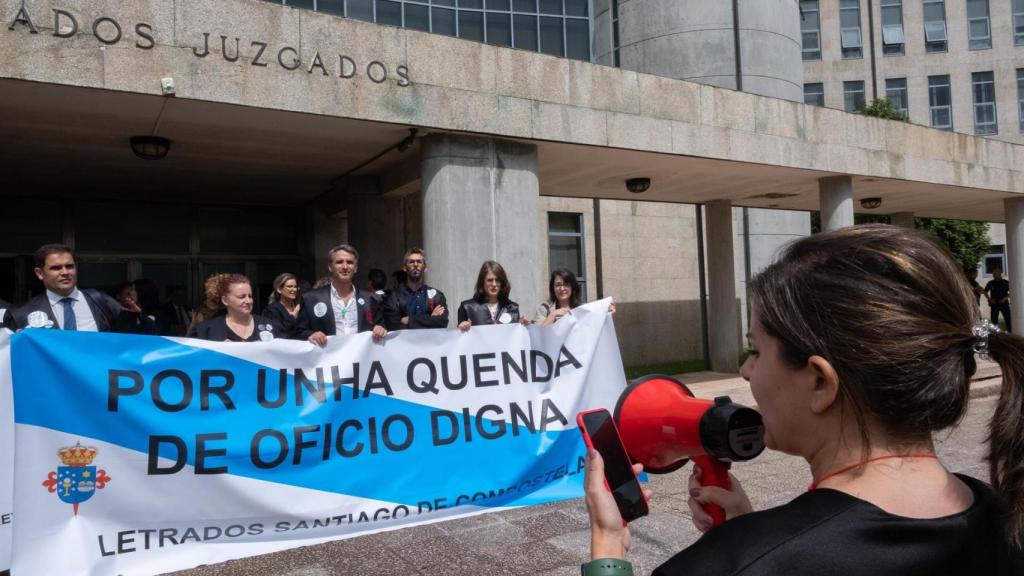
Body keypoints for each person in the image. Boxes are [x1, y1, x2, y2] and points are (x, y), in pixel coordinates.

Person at [582, 225, 1024, 575]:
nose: (746, 370)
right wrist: (752, 537)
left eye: (755, 349)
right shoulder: (1005, 520)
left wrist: (607, 546)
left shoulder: (725, 565)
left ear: (819, 382)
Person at [8, 244, 141, 332]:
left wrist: (136, 318)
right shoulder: (22, 314)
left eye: (69, 266)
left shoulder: (99, 300)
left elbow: (131, 339)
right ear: (40, 273)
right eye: (56, 268)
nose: (65, 272)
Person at [295, 244, 381, 346]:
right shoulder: (311, 299)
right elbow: (298, 332)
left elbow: (382, 327)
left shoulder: (371, 299)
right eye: (339, 262)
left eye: (350, 262)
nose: (345, 267)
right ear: (330, 267)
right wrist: (310, 335)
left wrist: (380, 329)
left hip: (361, 359)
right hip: (328, 359)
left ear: (356, 268)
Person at [375, 248, 449, 337]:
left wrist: (409, 320)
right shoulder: (393, 297)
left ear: (425, 268)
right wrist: (430, 319)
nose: (415, 264)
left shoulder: (437, 295)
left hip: (430, 348)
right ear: (404, 268)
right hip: (403, 347)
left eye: (419, 262)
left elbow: (442, 322)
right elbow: (393, 325)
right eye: (411, 262)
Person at [187, 274, 276, 342]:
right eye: (242, 297)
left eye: (250, 296)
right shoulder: (208, 329)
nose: (248, 301)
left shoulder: (268, 325)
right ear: (225, 300)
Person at [457, 261, 529, 330]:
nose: (494, 284)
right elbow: (460, 338)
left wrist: (521, 326)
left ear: (502, 283)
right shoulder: (467, 308)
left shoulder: (512, 307)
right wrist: (462, 327)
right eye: (490, 280)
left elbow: (514, 337)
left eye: (497, 280)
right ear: (482, 282)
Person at [263, 273, 301, 339]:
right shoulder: (271, 310)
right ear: (279, 290)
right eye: (290, 286)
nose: (294, 289)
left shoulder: (300, 307)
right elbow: (278, 332)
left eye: (295, 287)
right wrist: (293, 317)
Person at [985, 267, 1012, 333]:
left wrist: (1004, 299)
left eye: (995, 273)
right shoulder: (990, 283)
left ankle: (1010, 332)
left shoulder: (1005, 282)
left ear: (999, 274)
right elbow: (985, 291)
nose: (993, 275)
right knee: (994, 321)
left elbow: (1012, 292)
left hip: (1004, 304)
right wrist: (989, 299)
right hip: (994, 304)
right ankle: (995, 334)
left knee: (1008, 319)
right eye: (993, 273)